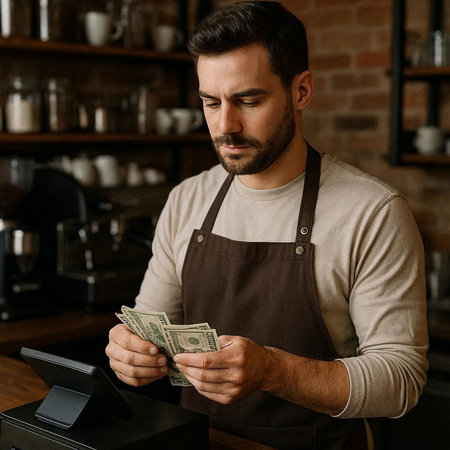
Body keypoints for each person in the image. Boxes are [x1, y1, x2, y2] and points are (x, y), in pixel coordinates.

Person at [106, 2, 428, 448]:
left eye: (248, 100)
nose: (225, 126)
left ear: (301, 91)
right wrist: (129, 352)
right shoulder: (187, 199)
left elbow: (401, 379)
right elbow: (149, 323)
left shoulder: (372, 212)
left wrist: (272, 370)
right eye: (210, 102)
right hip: (201, 440)